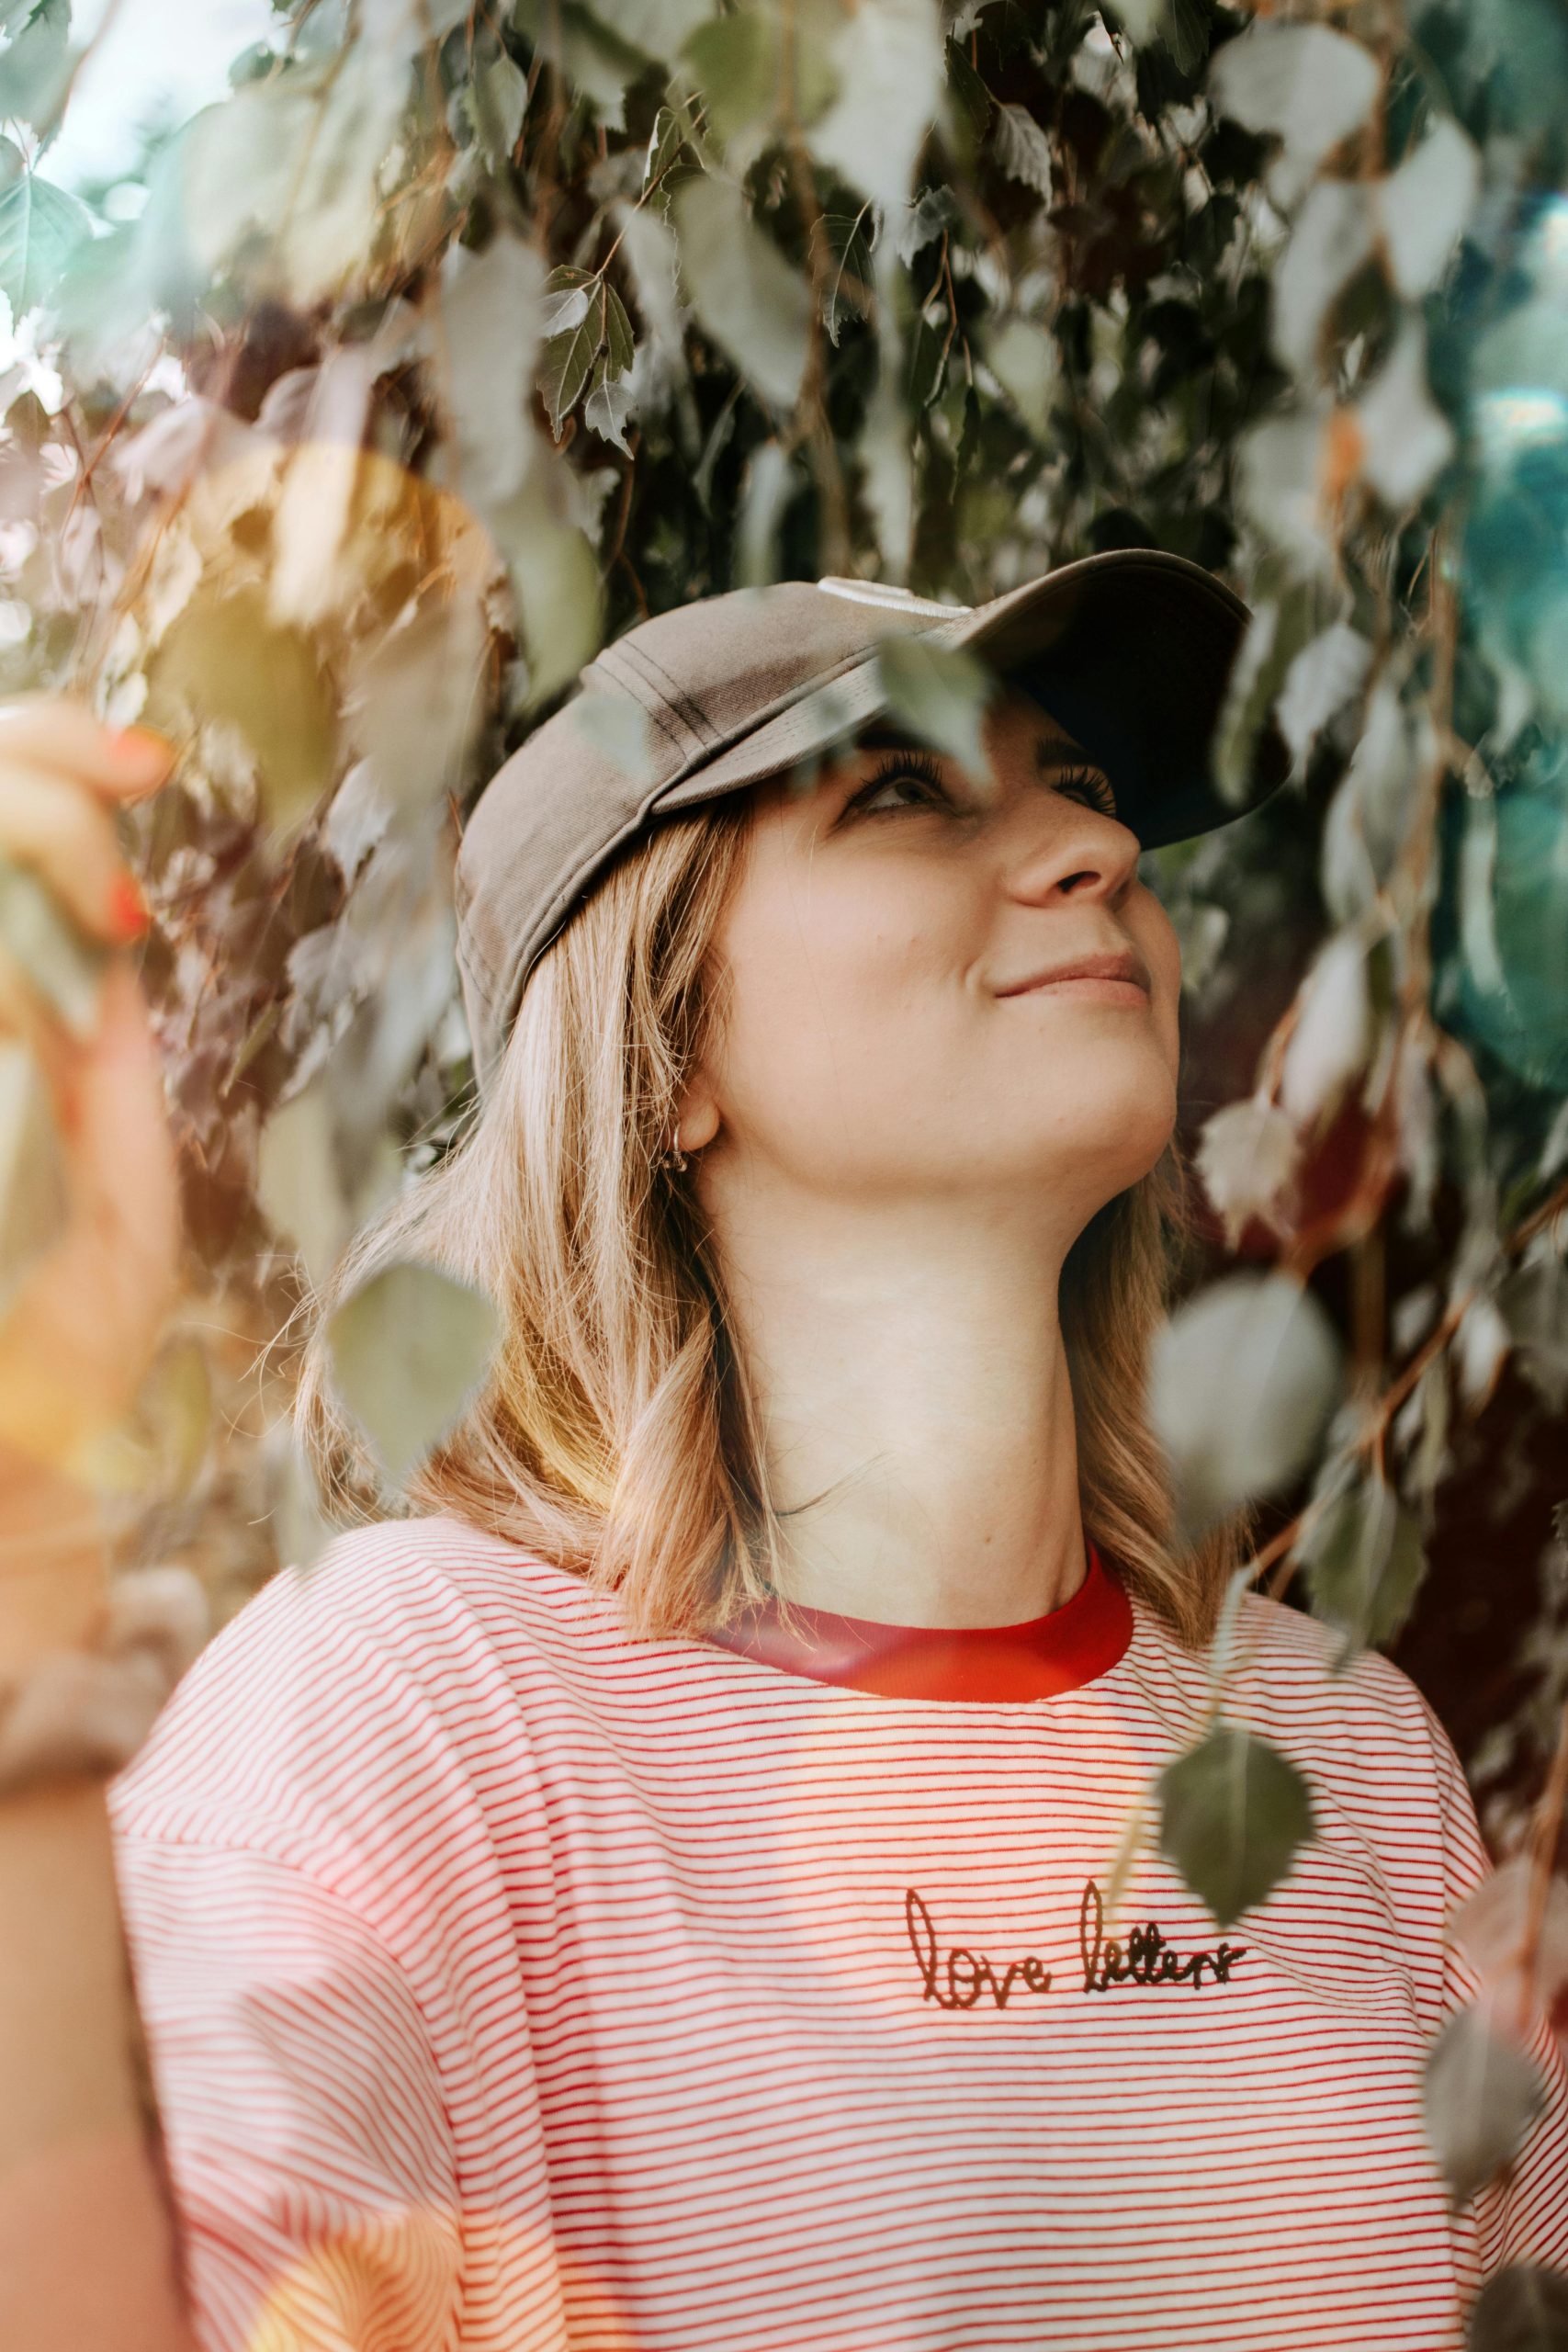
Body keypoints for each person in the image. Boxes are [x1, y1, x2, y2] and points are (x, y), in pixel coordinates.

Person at [2, 552, 1565, 2350]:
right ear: (664, 1043)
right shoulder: (413, 1704)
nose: (1098, 853)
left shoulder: (1343, 1756)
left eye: (1085, 790)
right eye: (903, 792)